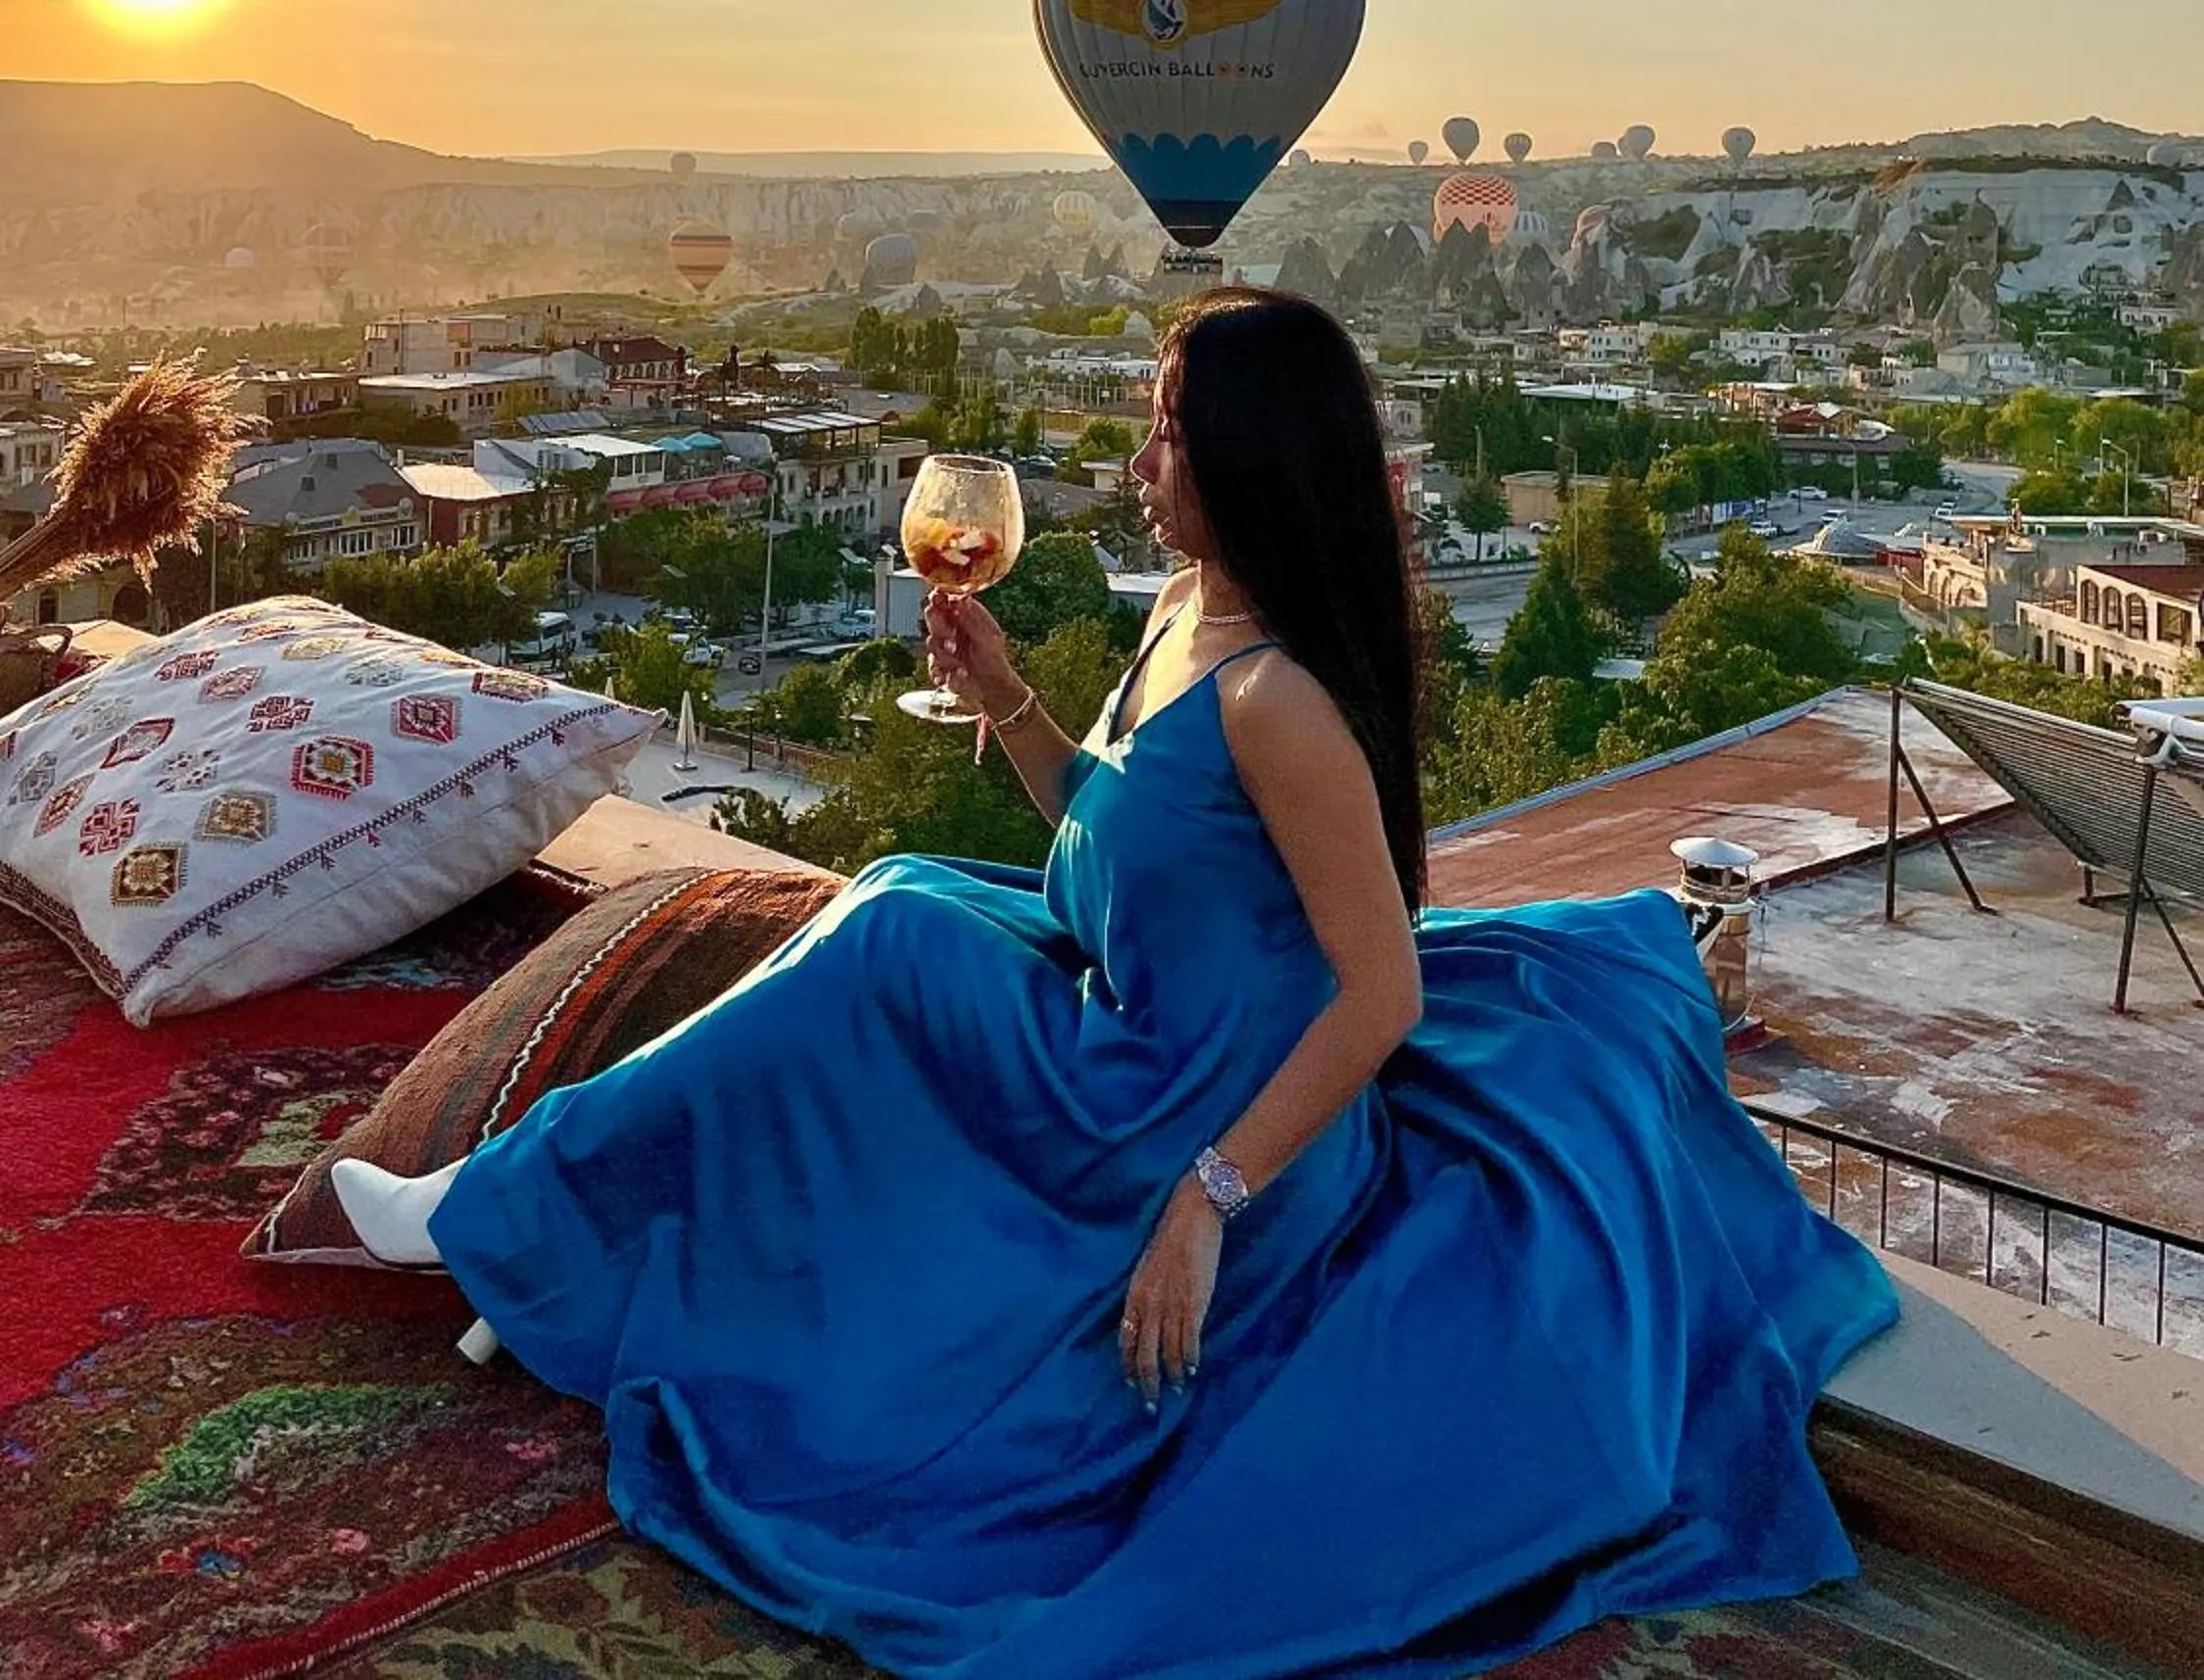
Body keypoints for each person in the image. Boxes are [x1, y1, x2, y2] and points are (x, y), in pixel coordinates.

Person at [329, 287, 1898, 1680]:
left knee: (890, 936)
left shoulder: (1283, 695)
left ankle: (503, 1208)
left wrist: (1205, 1201)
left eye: (1163, 434)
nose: (1139, 462)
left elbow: (1380, 991)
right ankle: (559, 1229)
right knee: (903, 888)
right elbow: (1111, 844)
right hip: (1124, 1022)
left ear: (1245, 458)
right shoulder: (1172, 615)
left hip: (1196, 1107)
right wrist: (1010, 702)